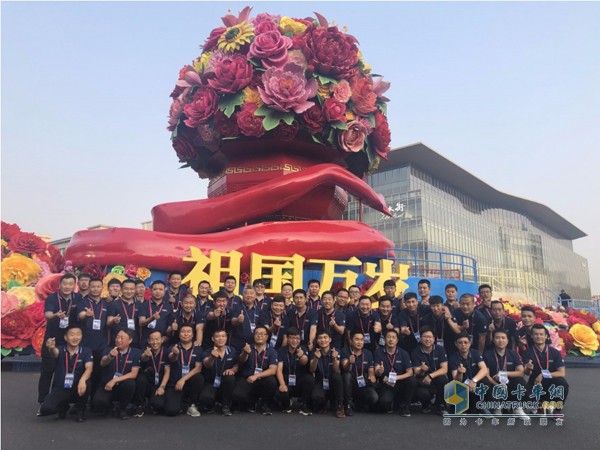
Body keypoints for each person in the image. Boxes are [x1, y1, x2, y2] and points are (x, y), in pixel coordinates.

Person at [39, 273, 79, 411]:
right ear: (60, 285)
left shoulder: (77, 298)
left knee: (64, 372)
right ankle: (43, 402)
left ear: (74, 286)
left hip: (69, 342)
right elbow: (47, 314)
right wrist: (56, 315)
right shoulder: (52, 298)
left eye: (70, 284)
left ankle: (61, 402)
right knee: (47, 372)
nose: (67, 287)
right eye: (65, 284)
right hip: (52, 340)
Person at [38, 326, 93, 423]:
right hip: (61, 388)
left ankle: (80, 410)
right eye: (72, 335)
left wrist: (82, 380)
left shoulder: (86, 351)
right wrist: (51, 348)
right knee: (46, 409)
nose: (75, 337)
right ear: (65, 337)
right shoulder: (60, 349)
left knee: (87, 383)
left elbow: (89, 368)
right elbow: (54, 353)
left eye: (78, 334)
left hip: (78, 387)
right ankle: (62, 407)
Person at [93, 329, 141, 420]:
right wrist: (110, 356)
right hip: (107, 385)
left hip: (121, 385)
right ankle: (110, 407)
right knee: (97, 401)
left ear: (130, 340)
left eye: (122, 338)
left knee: (130, 383)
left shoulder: (135, 352)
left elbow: (134, 374)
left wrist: (115, 380)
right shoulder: (108, 349)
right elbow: (103, 363)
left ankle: (122, 409)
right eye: (117, 337)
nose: (118, 340)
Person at [523, 324, 569, 415]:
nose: (539, 336)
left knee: (562, 383)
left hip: (551, 381)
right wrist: (528, 369)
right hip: (535, 383)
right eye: (536, 334)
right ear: (532, 336)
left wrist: (543, 375)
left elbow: (562, 372)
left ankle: (557, 410)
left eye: (541, 334)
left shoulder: (555, 352)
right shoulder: (527, 353)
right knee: (523, 394)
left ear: (546, 336)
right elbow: (527, 373)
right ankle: (540, 405)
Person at [483, 329, 528, 419]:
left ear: (507, 341)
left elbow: (521, 372)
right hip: (494, 383)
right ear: (493, 340)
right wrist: (497, 385)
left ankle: (516, 408)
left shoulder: (513, 354)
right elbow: (486, 374)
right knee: (485, 382)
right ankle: (497, 406)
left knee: (521, 381)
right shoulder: (487, 354)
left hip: (509, 382)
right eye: (497, 338)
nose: (500, 340)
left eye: (503, 338)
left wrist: (504, 373)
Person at [233, 325, 278, 415]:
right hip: (248, 379)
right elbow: (242, 360)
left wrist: (256, 376)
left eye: (262, 334)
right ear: (253, 336)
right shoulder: (248, 347)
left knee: (271, 381)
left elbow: (273, 370)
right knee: (237, 395)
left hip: (263, 380)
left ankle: (264, 404)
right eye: (257, 333)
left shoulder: (272, 351)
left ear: (267, 336)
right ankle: (252, 402)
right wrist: (245, 353)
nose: (259, 336)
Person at [77, 277, 108, 399]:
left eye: (98, 287)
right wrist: (86, 314)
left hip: (101, 344)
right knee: (83, 373)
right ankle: (81, 401)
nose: (95, 289)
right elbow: (80, 315)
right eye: (93, 287)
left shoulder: (106, 303)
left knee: (98, 374)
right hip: (85, 345)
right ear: (89, 288)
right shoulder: (83, 302)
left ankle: (94, 400)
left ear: (102, 288)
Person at [373, 329, 417, 416]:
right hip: (386, 383)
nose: (391, 340)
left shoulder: (404, 353)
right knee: (384, 402)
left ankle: (406, 407)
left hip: (400, 382)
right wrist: (379, 371)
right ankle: (393, 403)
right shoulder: (378, 352)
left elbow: (410, 372)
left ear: (397, 340)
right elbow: (377, 372)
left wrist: (396, 378)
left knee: (412, 380)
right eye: (388, 337)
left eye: (393, 337)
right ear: (384, 339)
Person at [166, 323, 204, 417]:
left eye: (188, 332)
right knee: (171, 411)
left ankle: (192, 405)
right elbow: (171, 358)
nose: (186, 334)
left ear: (193, 335)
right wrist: (175, 354)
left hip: (189, 383)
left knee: (199, 378)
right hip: (175, 384)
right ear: (179, 334)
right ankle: (181, 403)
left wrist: (183, 379)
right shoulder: (173, 347)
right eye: (183, 332)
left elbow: (198, 368)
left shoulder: (198, 349)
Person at [275, 327, 314, 415]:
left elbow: (305, 361)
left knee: (309, 379)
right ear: (287, 339)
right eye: (292, 338)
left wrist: (301, 356)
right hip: (286, 381)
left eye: (297, 338)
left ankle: (304, 405)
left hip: (299, 382)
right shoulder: (281, 351)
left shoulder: (303, 349)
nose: (294, 341)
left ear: (300, 339)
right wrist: (282, 384)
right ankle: (287, 403)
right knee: (279, 393)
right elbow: (279, 369)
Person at [200, 329, 239, 416]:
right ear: (213, 339)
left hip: (226, 383)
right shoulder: (207, 352)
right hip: (212, 382)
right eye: (217, 336)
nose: (220, 339)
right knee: (205, 398)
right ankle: (214, 403)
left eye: (223, 336)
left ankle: (225, 405)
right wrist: (212, 357)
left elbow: (237, 366)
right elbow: (207, 364)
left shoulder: (232, 350)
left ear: (226, 338)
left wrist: (232, 370)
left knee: (231, 378)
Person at [411, 326, 449, 415]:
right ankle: (426, 404)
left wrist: (430, 376)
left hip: (436, 377)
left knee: (443, 379)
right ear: (420, 338)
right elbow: (416, 371)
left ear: (434, 338)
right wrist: (421, 370)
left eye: (430, 337)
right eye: (425, 337)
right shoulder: (415, 352)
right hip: (423, 380)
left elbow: (444, 369)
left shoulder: (440, 349)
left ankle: (440, 405)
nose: (428, 339)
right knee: (421, 392)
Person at [449, 332, 490, 415]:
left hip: (474, 384)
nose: (463, 345)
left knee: (485, 381)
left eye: (466, 342)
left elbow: (484, 369)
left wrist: (474, 381)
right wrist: (459, 373)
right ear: (456, 344)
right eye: (460, 343)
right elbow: (456, 380)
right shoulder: (453, 357)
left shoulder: (476, 353)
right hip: (463, 386)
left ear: (470, 343)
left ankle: (482, 406)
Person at [133, 330, 171, 417]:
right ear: (149, 341)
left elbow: (167, 371)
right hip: (148, 383)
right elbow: (143, 358)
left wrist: (162, 387)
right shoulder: (145, 351)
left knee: (158, 405)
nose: (155, 342)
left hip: (160, 383)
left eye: (157, 339)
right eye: (152, 340)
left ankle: (152, 402)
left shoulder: (166, 352)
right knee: (141, 378)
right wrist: (146, 356)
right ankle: (139, 405)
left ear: (162, 340)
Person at [340, 331, 378, 415]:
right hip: (349, 384)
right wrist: (349, 362)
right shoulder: (345, 351)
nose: (359, 342)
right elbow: (345, 368)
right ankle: (348, 405)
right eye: (357, 339)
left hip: (362, 383)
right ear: (351, 341)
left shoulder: (368, 353)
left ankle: (359, 403)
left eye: (361, 340)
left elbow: (371, 370)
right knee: (347, 376)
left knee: (374, 397)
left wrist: (372, 376)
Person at [309, 330, 345, 418]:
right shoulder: (314, 353)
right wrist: (316, 359)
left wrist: (334, 359)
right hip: (320, 382)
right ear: (317, 341)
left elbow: (336, 370)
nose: (322, 340)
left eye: (325, 338)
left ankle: (340, 406)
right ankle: (323, 403)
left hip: (332, 382)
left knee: (337, 377)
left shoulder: (336, 352)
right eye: (320, 338)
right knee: (315, 397)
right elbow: (311, 370)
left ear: (330, 340)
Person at [107, 279, 141, 348]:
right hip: (118, 341)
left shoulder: (139, 305)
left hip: (134, 341)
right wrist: (113, 320)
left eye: (132, 289)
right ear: (121, 290)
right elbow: (108, 323)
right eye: (126, 289)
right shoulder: (114, 304)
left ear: (135, 290)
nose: (129, 291)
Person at [139, 280, 173, 348]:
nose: (158, 291)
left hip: (162, 343)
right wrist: (152, 318)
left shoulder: (168, 306)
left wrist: (169, 334)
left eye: (160, 289)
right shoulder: (144, 305)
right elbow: (141, 323)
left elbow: (169, 325)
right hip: (146, 342)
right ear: (151, 290)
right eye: (155, 289)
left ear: (164, 291)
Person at [231, 285, 261, 351]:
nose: (249, 295)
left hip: (255, 345)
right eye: (246, 293)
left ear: (255, 295)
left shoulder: (259, 310)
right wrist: (238, 320)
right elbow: (232, 321)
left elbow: (264, 326)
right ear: (242, 295)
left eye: (251, 293)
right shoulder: (237, 307)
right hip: (238, 345)